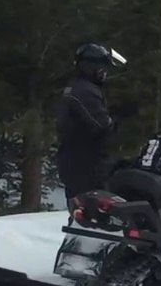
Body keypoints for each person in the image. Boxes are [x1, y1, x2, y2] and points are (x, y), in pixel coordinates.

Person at [55, 42, 136, 202]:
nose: (105, 73)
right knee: (97, 212)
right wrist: (121, 117)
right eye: (103, 68)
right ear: (92, 67)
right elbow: (102, 127)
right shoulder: (85, 92)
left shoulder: (77, 88)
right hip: (85, 166)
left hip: (76, 162)